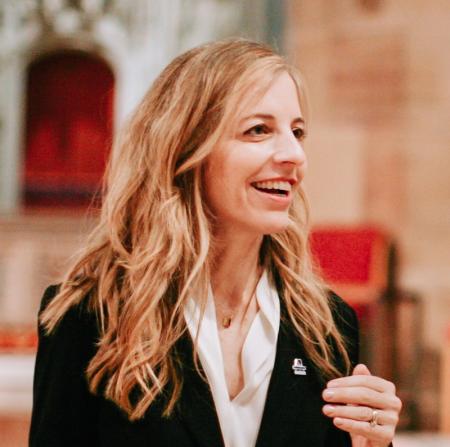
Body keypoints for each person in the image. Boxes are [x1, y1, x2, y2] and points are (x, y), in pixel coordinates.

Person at [29, 39, 401, 447]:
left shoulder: (326, 326)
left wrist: (371, 446)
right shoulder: (93, 316)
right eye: (258, 130)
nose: (294, 154)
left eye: (297, 131)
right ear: (185, 149)